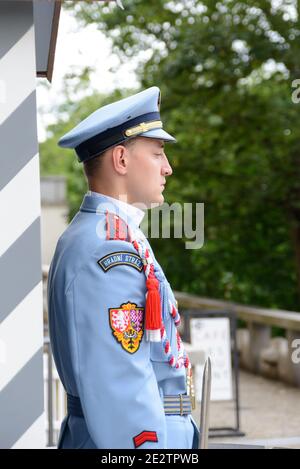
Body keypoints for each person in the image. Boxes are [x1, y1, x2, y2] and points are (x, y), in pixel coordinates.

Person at [47, 86, 199, 449]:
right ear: (121, 159)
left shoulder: (109, 234)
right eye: (158, 153)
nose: (168, 167)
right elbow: (120, 386)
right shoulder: (108, 248)